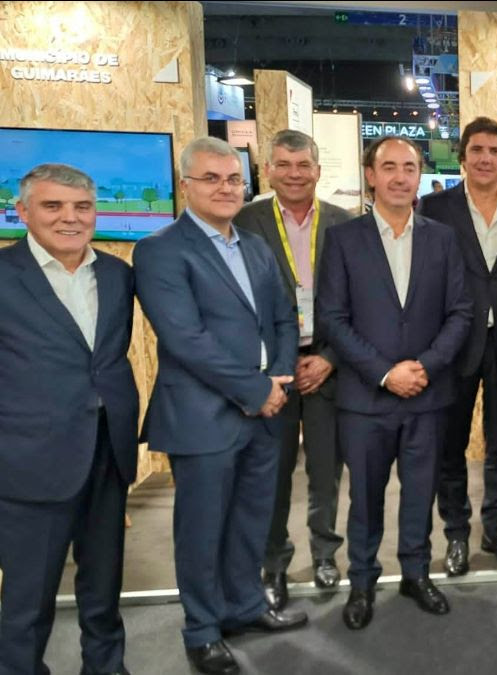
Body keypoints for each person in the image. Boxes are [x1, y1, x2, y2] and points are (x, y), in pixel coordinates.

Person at [135, 137, 306, 675]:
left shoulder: (254, 246)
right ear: (185, 184)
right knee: (202, 529)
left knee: (251, 520)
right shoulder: (161, 250)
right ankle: (203, 630)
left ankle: (245, 606)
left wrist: (278, 382)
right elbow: (186, 339)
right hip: (203, 416)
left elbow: (284, 318)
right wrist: (257, 391)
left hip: (266, 411)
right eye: (211, 178)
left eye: (234, 179)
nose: (226, 188)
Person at [317, 136, 472, 629]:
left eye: (409, 167)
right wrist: (385, 373)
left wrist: (425, 366)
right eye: (390, 167)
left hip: (427, 394)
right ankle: (362, 582)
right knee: (365, 497)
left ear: (419, 175)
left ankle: (416, 573)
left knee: (420, 493)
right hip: (366, 398)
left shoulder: (442, 239)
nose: (401, 177)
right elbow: (333, 318)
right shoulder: (344, 239)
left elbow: (460, 312)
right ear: (371, 175)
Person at [0, 164, 138, 675]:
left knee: (103, 586)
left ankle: (106, 667)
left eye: (82, 207)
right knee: (28, 599)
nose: (70, 218)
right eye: (53, 206)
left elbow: (106, 359)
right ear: (23, 211)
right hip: (29, 460)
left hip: (107, 449)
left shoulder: (117, 274)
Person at [234, 130, 354, 610]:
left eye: (303, 165)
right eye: (283, 164)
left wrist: (330, 359)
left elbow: (361, 302)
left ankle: (325, 554)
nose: (294, 174)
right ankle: (274, 563)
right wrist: (279, 365)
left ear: (318, 171)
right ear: (268, 171)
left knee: (326, 472)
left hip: (327, 366)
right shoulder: (245, 221)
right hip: (272, 373)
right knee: (273, 474)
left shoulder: (345, 222)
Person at [417, 116, 497, 576]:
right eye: (477, 150)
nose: (485, 158)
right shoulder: (435, 207)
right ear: (463, 157)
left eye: (494, 151)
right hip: (454, 342)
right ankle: (455, 533)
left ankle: (496, 528)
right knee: (450, 444)